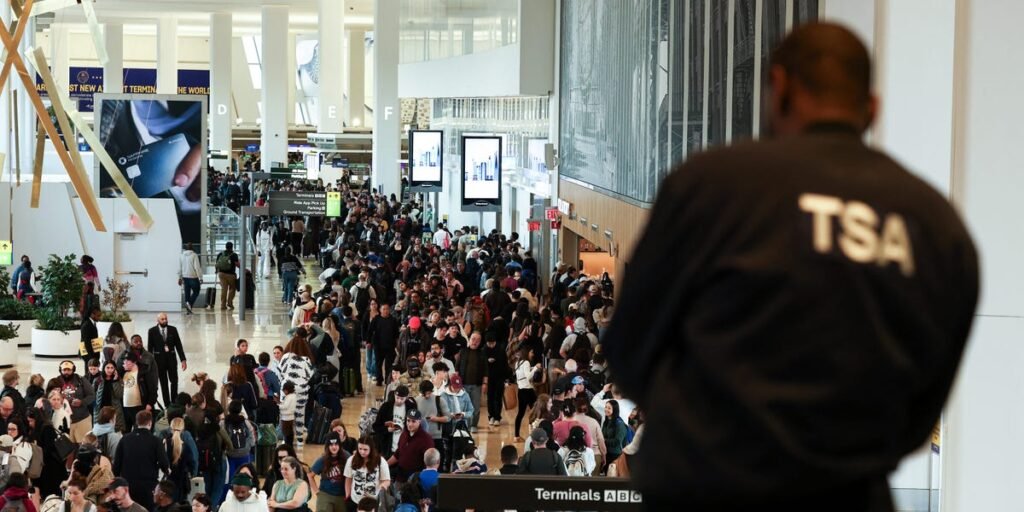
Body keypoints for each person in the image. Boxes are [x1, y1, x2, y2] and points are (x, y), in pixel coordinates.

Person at [604, 23, 980, 511]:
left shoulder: (710, 187)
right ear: (872, 108)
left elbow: (630, 350)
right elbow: (924, 407)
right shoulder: (936, 228)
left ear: (778, 87)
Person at [113, 410, 170, 510]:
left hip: (128, 485)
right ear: (150, 423)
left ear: (137, 422)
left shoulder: (125, 439)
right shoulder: (155, 441)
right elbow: (164, 463)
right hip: (148, 486)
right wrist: (167, 471)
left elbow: (116, 465)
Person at [279, 339, 315, 446]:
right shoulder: (306, 359)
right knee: (300, 413)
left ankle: (286, 438)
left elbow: (281, 372)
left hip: (286, 389)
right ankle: (299, 439)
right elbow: (310, 374)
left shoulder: (286, 357)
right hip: (301, 389)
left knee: (285, 414)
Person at [147, 313, 187, 408]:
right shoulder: (152, 331)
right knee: (163, 383)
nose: (165, 320)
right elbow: (150, 348)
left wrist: (183, 360)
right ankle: (167, 404)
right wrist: (150, 364)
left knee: (174, 381)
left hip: (171, 360)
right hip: (159, 361)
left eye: (166, 319)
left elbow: (178, 345)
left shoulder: (173, 330)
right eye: (162, 319)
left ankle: (174, 400)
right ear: (158, 320)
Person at [386, 409, 434, 483]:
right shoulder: (404, 434)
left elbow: (429, 463)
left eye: (413, 421)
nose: (410, 424)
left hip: (415, 480)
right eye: (408, 420)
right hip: (400, 477)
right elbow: (398, 453)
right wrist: (385, 464)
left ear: (419, 421)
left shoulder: (426, 439)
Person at [343, 437, 390, 511]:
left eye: (365, 449)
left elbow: (387, 480)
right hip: (355, 501)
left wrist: (382, 486)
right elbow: (348, 478)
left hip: (373, 502)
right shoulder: (351, 460)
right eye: (360, 449)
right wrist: (347, 495)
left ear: (371, 449)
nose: (362, 452)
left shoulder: (381, 461)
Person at [455, 332, 486, 433]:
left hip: (477, 385)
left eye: (478, 340)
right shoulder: (463, 351)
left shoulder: (482, 353)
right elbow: (457, 368)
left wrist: (485, 384)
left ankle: (474, 425)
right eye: (473, 339)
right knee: (463, 406)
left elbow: (486, 370)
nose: (475, 342)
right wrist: (456, 383)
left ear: (480, 342)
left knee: (476, 407)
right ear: (469, 339)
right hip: (463, 384)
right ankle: (465, 425)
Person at [310, 432, 349, 512]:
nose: (334, 447)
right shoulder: (322, 460)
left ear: (340, 445)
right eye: (331, 445)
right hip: (325, 494)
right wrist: (317, 492)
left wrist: (348, 493)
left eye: (336, 444)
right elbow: (310, 475)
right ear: (327, 446)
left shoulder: (346, 457)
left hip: (342, 495)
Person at [220, 400, 255, 487]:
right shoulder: (245, 422)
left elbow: (220, 438)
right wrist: (249, 446)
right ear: (240, 410)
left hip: (230, 454)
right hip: (244, 453)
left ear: (229, 409)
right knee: (245, 476)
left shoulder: (224, 422)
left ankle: (231, 492)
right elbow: (251, 436)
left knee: (230, 477)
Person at [120, 352, 156, 432]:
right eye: (124, 361)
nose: (124, 363)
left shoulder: (144, 372)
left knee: (140, 430)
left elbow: (152, 389)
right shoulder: (123, 372)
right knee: (126, 431)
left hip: (140, 406)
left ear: (134, 362)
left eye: (127, 361)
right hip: (126, 407)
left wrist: (150, 403)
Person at [164, 418, 196, 503]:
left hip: (167, 482)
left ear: (170, 428)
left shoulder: (165, 444)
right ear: (183, 429)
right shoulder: (186, 447)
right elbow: (192, 464)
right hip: (181, 482)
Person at [601, 399, 629, 473]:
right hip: (606, 452)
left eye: (609, 408)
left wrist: (604, 440)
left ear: (615, 410)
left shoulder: (620, 424)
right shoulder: (606, 422)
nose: (606, 409)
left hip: (615, 455)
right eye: (606, 407)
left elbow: (617, 441)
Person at [179, 243, 203, 315]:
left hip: (185, 277)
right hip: (193, 277)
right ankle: (189, 304)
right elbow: (197, 267)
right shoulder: (194, 255)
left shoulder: (181, 255)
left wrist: (180, 277)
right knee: (196, 291)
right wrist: (200, 278)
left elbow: (180, 267)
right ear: (192, 248)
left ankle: (188, 309)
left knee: (187, 293)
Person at [215, 242, 240, 310]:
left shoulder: (220, 254)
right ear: (232, 247)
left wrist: (216, 271)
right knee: (232, 288)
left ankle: (223, 305)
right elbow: (237, 264)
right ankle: (229, 303)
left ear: (225, 247)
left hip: (221, 274)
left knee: (224, 289)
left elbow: (217, 264)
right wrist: (243, 269)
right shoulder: (234, 255)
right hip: (231, 275)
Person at [81, 307, 102, 375]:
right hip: (89, 354)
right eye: (98, 316)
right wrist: (91, 357)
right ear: (92, 315)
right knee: (89, 372)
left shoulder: (92, 323)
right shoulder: (87, 325)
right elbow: (86, 342)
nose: (100, 318)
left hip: (92, 352)